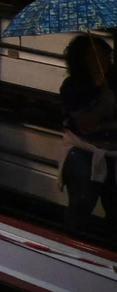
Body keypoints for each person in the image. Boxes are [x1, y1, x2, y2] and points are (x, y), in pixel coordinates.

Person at [59, 34, 117, 239]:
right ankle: (71, 245)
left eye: (104, 55)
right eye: (93, 58)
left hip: (112, 150)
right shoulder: (73, 86)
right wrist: (102, 93)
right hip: (83, 150)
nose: (102, 61)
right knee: (82, 202)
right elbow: (86, 125)